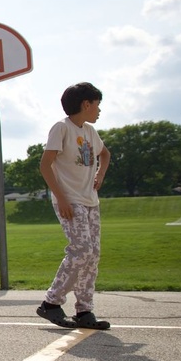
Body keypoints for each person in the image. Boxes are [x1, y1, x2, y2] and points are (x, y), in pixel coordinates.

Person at [36, 82, 112, 330]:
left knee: (92, 255)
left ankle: (84, 310)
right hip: (69, 199)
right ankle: (51, 302)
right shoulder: (62, 128)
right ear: (86, 104)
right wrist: (62, 198)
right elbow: (45, 165)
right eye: (97, 105)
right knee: (81, 250)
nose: (99, 110)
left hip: (90, 201)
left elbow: (105, 154)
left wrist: (100, 174)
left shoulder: (90, 131)